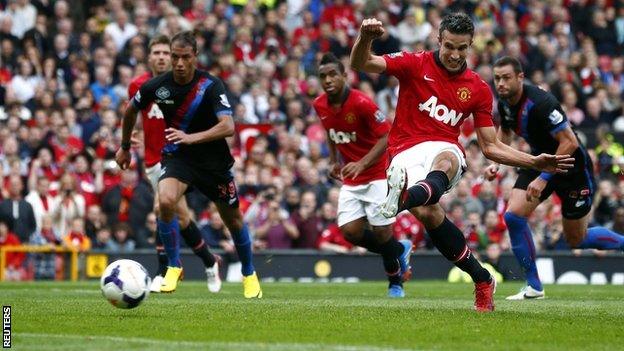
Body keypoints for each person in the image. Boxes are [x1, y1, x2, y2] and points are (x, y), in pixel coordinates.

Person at [350, 13, 573, 312]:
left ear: (471, 46)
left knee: (445, 160)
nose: (455, 55)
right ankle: (482, 278)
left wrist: (534, 161)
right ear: (439, 41)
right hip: (404, 151)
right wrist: (366, 38)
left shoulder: (478, 88)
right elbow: (361, 64)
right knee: (430, 215)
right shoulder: (414, 63)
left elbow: (491, 146)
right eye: (450, 47)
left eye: (462, 48)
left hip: (445, 147)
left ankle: (400, 198)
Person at [116, 31, 262, 298]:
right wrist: (125, 147)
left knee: (233, 220)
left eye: (185, 57)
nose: (179, 63)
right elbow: (130, 110)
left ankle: (249, 273)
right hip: (178, 157)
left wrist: (191, 137)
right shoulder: (156, 86)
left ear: (195, 56)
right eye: (175, 57)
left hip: (214, 163)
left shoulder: (210, 85)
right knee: (165, 201)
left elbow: (228, 126)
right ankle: (172, 267)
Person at [487, 56, 624, 300]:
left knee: (576, 239)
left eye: (506, 77)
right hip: (540, 159)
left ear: (520, 77)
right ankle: (534, 286)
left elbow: (570, 142)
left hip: (572, 168)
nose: (501, 83)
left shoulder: (541, 103)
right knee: (514, 216)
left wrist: (543, 178)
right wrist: (497, 162)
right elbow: (505, 132)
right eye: (497, 78)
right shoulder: (506, 103)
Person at [126, 34, 221, 293]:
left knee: (161, 208)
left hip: (180, 159)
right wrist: (133, 134)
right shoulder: (138, 85)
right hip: (152, 161)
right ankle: (210, 260)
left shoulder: (186, 85)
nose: (161, 57)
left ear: (173, 56)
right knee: (181, 217)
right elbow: (135, 114)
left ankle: (165, 269)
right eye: (156, 53)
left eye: (165, 53)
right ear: (148, 57)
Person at [312, 53, 412, 298]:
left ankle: (395, 283)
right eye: (323, 76)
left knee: (381, 233)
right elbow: (331, 131)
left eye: (333, 74)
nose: (328, 80)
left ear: (345, 75)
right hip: (352, 177)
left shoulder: (362, 103)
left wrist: (361, 163)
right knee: (350, 232)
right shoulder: (320, 104)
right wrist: (334, 161)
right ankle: (400, 248)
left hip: (377, 174)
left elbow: (387, 135)